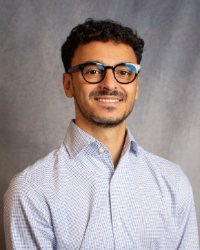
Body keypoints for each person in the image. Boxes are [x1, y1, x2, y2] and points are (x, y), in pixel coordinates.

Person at [4, 18, 199, 249]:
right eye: (93, 71)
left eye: (124, 72)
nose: (110, 83)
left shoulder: (174, 182)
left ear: (136, 87)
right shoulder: (31, 190)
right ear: (68, 84)